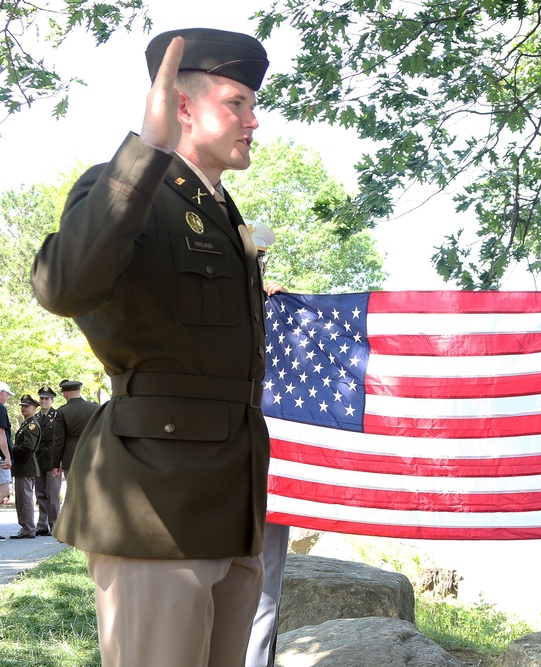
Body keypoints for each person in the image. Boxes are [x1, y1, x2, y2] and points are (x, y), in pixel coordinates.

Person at [31, 27, 271, 667]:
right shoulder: (131, 187)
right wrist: (146, 150)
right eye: (237, 102)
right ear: (183, 106)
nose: (254, 120)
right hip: (156, 501)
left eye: (255, 103)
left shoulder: (222, 211)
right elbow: (63, 285)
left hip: (231, 496)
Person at [245, 221, 291, 667]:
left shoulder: (281, 314)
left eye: (260, 259)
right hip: (218, 461)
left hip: (276, 467)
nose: (258, 266)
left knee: (264, 585)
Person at [50, 379, 99, 479]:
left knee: (74, 491)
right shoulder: (95, 408)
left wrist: (55, 464)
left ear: (66, 394)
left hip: (71, 457)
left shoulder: (62, 411)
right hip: (93, 455)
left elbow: (59, 440)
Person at [33, 385, 64, 536]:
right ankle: (42, 525)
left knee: (53, 495)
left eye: (46, 398)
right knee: (40, 494)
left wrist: (59, 462)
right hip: (38, 461)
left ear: (52, 400)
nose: (43, 401)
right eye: (41, 398)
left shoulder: (57, 416)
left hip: (52, 461)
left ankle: (56, 525)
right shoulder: (36, 418)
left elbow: (60, 440)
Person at [10, 394, 42, 539]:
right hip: (22, 467)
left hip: (26, 466)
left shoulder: (32, 425)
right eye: (22, 406)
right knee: (21, 499)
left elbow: (28, 447)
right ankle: (26, 527)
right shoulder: (26, 424)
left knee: (25, 499)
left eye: (26, 406)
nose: (23, 408)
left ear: (34, 408)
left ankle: (29, 528)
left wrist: (11, 449)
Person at [0, 382, 14, 515]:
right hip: (0, 457)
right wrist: (7, 456)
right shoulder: (0, 408)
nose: (7, 397)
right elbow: (1, 433)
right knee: (4, 490)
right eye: (7, 395)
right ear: (2, 393)